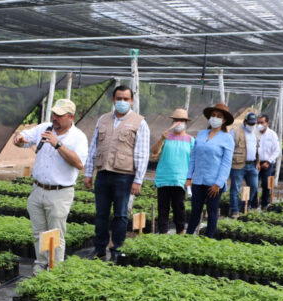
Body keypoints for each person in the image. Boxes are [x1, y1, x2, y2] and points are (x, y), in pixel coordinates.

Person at [13, 98, 88, 273]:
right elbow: (24, 138)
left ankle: (55, 270)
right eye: (54, 114)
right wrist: (19, 139)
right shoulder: (44, 128)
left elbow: (79, 163)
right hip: (38, 189)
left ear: (71, 117)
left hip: (59, 193)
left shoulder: (78, 137)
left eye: (60, 115)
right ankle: (40, 265)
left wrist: (58, 144)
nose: (55, 118)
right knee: (39, 233)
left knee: (56, 235)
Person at [83, 84, 150, 261]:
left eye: (125, 99)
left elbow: (142, 153)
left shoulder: (139, 122)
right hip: (103, 173)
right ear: (113, 100)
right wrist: (88, 173)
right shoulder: (103, 120)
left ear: (132, 101)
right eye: (118, 98)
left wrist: (138, 180)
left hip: (124, 175)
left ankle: (117, 249)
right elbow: (93, 148)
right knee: (101, 213)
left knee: (120, 214)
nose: (122, 102)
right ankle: (99, 248)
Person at [186, 103, 235, 237]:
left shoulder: (227, 138)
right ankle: (188, 236)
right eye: (213, 115)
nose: (215, 118)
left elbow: (226, 163)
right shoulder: (201, 134)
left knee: (212, 212)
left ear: (224, 120)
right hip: (199, 180)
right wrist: (189, 177)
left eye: (219, 116)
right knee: (195, 210)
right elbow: (193, 156)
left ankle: (209, 239)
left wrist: (218, 183)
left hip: (214, 183)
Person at [151, 108, 194, 234]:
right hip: (164, 178)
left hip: (180, 179)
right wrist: (161, 139)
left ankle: (180, 231)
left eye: (181, 120)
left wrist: (190, 178)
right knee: (162, 208)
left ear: (186, 123)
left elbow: (193, 161)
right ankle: (163, 233)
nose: (178, 123)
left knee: (179, 207)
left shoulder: (191, 140)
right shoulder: (166, 137)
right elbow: (154, 152)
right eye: (176, 120)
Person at [229, 112, 260, 218]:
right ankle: (234, 210)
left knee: (254, 186)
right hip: (238, 164)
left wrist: (258, 162)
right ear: (245, 121)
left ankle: (245, 205)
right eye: (250, 123)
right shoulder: (235, 131)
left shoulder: (256, 132)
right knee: (235, 188)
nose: (252, 126)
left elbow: (257, 148)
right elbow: (229, 147)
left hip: (252, 165)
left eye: (253, 124)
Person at [257, 114, 281, 209]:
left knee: (266, 184)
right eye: (258, 122)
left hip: (267, 163)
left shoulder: (272, 135)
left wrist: (269, 161)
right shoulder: (254, 133)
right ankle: (253, 203)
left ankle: (264, 204)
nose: (259, 125)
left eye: (262, 123)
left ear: (267, 123)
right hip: (256, 162)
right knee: (253, 184)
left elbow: (277, 150)